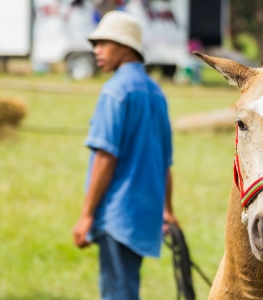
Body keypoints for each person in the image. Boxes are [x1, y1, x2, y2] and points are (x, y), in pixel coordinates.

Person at [72, 11, 177, 300]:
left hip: (117, 215)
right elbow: (165, 162)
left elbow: (105, 157)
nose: (96, 51)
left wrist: (86, 216)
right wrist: (167, 209)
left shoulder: (115, 91)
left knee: (118, 293)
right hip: (143, 215)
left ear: (126, 47)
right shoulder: (156, 92)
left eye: (104, 43)